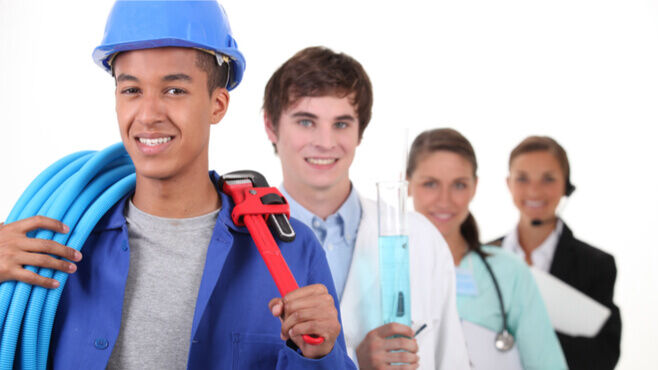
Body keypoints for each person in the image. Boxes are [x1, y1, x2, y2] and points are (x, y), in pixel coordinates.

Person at [0, 1, 355, 368]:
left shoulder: (292, 253)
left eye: (174, 90)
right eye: (132, 90)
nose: (149, 115)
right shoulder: (54, 245)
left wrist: (322, 356)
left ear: (217, 105)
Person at [262, 46, 470, 369]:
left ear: (360, 132)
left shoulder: (419, 239)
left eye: (342, 124)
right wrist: (349, 364)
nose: (326, 142)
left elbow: (451, 361)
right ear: (271, 126)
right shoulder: (238, 242)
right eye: (306, 122)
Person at [406, 128, 567, 369]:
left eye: (459, 185)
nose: (444, 200)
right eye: (430, 184)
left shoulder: (509, 272)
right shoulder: (380, 267)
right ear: (407, 184)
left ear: (474, 187)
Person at [490, 135, 621, 370]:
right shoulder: (482, 256)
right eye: (522, 178)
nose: (534, 190)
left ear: (566, 186)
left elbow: (603, 356)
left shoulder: (596, 264)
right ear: (508, 184)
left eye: (548, 179)